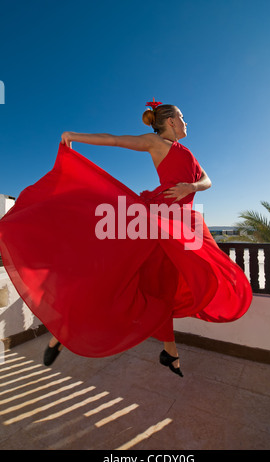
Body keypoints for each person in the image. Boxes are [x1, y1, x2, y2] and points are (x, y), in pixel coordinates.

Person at [0, 100, 252, 377]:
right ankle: (64, 333)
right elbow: (115, 140)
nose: (186, 122)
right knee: (116, 280)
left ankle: (170, 352)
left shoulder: (187, 152)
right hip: (154, 221)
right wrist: (74, 136)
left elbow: (207, 180)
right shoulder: (156, 143)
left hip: (178, 224)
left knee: (161, 288)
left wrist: (190, 186)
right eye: (182, 117)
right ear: (170, 121)